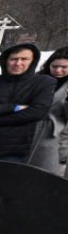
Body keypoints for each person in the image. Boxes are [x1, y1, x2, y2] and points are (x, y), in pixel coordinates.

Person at [0, 43, 57, 165]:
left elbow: (36, 112)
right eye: (13, 59)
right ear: (5, 61)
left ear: (32, 61)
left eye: (24, 59)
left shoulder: (43, 83)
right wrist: (14, 107)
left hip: (13, 151)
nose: (18, 63)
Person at [30, 47, 68, 176]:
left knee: (45, 174)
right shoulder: (36, 79)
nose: (58, 70)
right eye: (54, 66)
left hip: (53, 136)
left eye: (64, 67)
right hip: (29, 129)